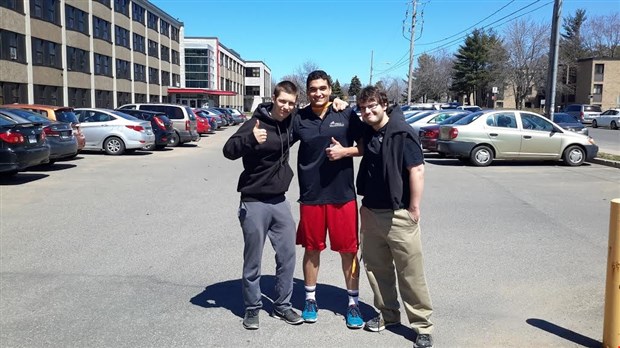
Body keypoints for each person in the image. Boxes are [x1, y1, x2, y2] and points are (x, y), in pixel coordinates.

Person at [355, 86, 434, 348]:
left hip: (399, 214)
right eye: (363, 107)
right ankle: (388, 316)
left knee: (410, 273)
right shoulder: (369, 131)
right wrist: (337, 104)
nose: (367, 111)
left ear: (384, 104)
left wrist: (413, 208)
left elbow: (417, 169)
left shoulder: (402, 133)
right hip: (371, 212)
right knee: (378, 271)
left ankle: (422, 325)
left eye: (372, 106)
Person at [222, 81, 303, 330]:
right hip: (254, 201)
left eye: (291, 103)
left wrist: (337, 104)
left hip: (279, 200)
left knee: (288, 255)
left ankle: (282, 305)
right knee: (253, 258)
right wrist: (250, 139)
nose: (286, 107)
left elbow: (315, 116)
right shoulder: (255, 123)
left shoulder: (291, 122)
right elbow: (228, 150)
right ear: (273, 98)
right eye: (283, 101)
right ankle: (252, 307)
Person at [292, 70, 366, 329]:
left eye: (323, 88)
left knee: (349, 252)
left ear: (330, 89)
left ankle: (353, 303)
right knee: (312, 249)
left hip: (342, 196)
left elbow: (366, 144)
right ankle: (310, 299)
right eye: (313, 89)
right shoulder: (299, 118)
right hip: (311, 196)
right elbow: (279, 140)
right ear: (307, 91)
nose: (318, 93)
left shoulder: (344, 113)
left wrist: (345, 151)